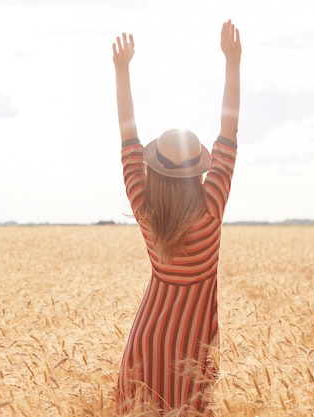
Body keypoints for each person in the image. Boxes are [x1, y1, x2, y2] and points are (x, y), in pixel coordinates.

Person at [112, 19, 241, 416]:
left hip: (145, 345)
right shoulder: (211, 209)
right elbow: (229, 129)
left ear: (154, 170)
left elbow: (127, 135)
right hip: (191, 353)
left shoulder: (144, 208)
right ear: (199, 171)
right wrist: (232, 62)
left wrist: (122, 69)